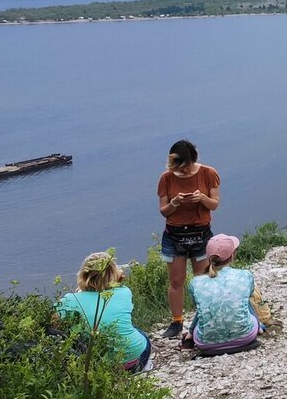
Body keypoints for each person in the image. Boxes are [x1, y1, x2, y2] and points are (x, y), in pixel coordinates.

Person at [156, 139, 220, 338]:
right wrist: (175, 202)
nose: (182, 172)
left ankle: (205, 317)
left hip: (200, 232)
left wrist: (201, 198)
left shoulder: (208, 173)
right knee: (176, 280)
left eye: (186, 167)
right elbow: (164, 211)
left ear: (194, 160)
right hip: (175, 235)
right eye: (178, 168)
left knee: (202, 280)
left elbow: (214, 204)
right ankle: (176, 322)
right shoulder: (166, 178)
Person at [56, 250, 152, 373]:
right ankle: (140, 367)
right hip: (135, 360)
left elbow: (55, 322)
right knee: (139, 332)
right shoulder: (124, 292)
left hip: (96, 365)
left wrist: (80, 292)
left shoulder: (70, 300)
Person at [183, 234, 260, 354]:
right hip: (245, 337)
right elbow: (248, 297)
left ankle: (189, 336)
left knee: (204, 305)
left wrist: (192, 330)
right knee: (243, 300)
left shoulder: (195, 282)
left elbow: (198, 308)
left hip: (206, 343)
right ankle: (259, 327)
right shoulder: (245, 275)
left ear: (208, 257)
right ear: (232, 255)